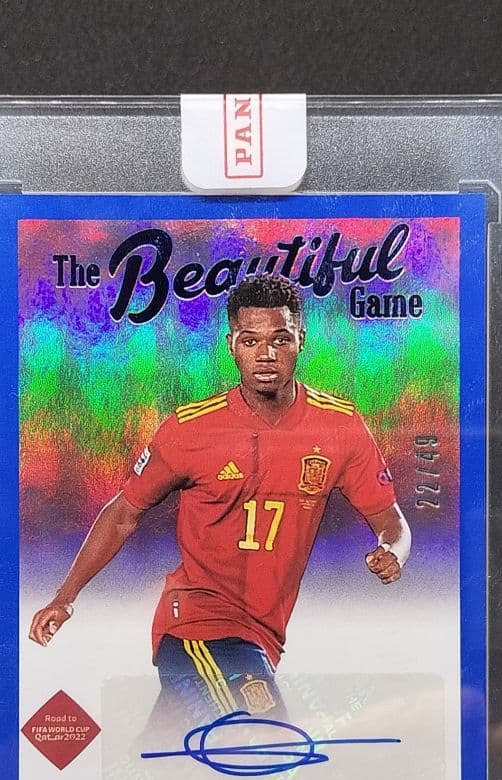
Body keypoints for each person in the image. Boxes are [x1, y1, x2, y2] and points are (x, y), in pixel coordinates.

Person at [29, 274, 411, 728]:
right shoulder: (190, 429)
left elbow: (391, 522)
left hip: (262, 636)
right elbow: (123, 513)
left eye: (280, 339)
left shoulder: (340, 427)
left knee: (169, 756)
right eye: (250, 341)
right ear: (231, 345)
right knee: (267, 742)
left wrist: (394, 551)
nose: (266, 354)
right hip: (198, 626)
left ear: (301, 341)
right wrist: (65, 598)